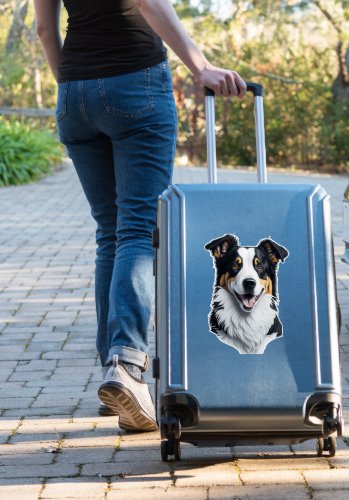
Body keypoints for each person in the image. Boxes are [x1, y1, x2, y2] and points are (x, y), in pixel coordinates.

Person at [34, 0, 246, 432]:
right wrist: (199, 66)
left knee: (109, 234)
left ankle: (114, 370)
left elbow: (43, 30)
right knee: (135, 231)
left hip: (73, 92)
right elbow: (147, 3)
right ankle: (127, 365)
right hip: (135, 82)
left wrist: (76, 89)